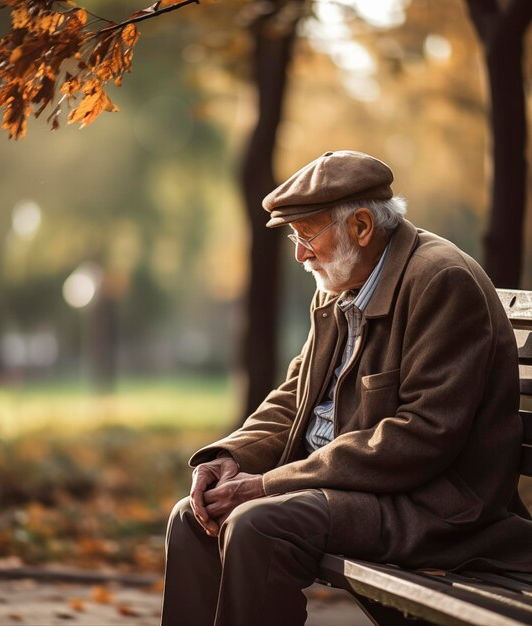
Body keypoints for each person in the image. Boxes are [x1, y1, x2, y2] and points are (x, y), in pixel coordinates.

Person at [160, 150, 532, 626]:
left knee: (259, 524)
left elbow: (421, 437)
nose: (299, 253)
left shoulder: (440, 281)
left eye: (306, 235)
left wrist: (268, 485)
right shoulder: (338, 286)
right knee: (191, 519)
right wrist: (233, 457)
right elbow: (297, 394)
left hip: (432, 507)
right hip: (350, 490)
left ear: (360, 226)